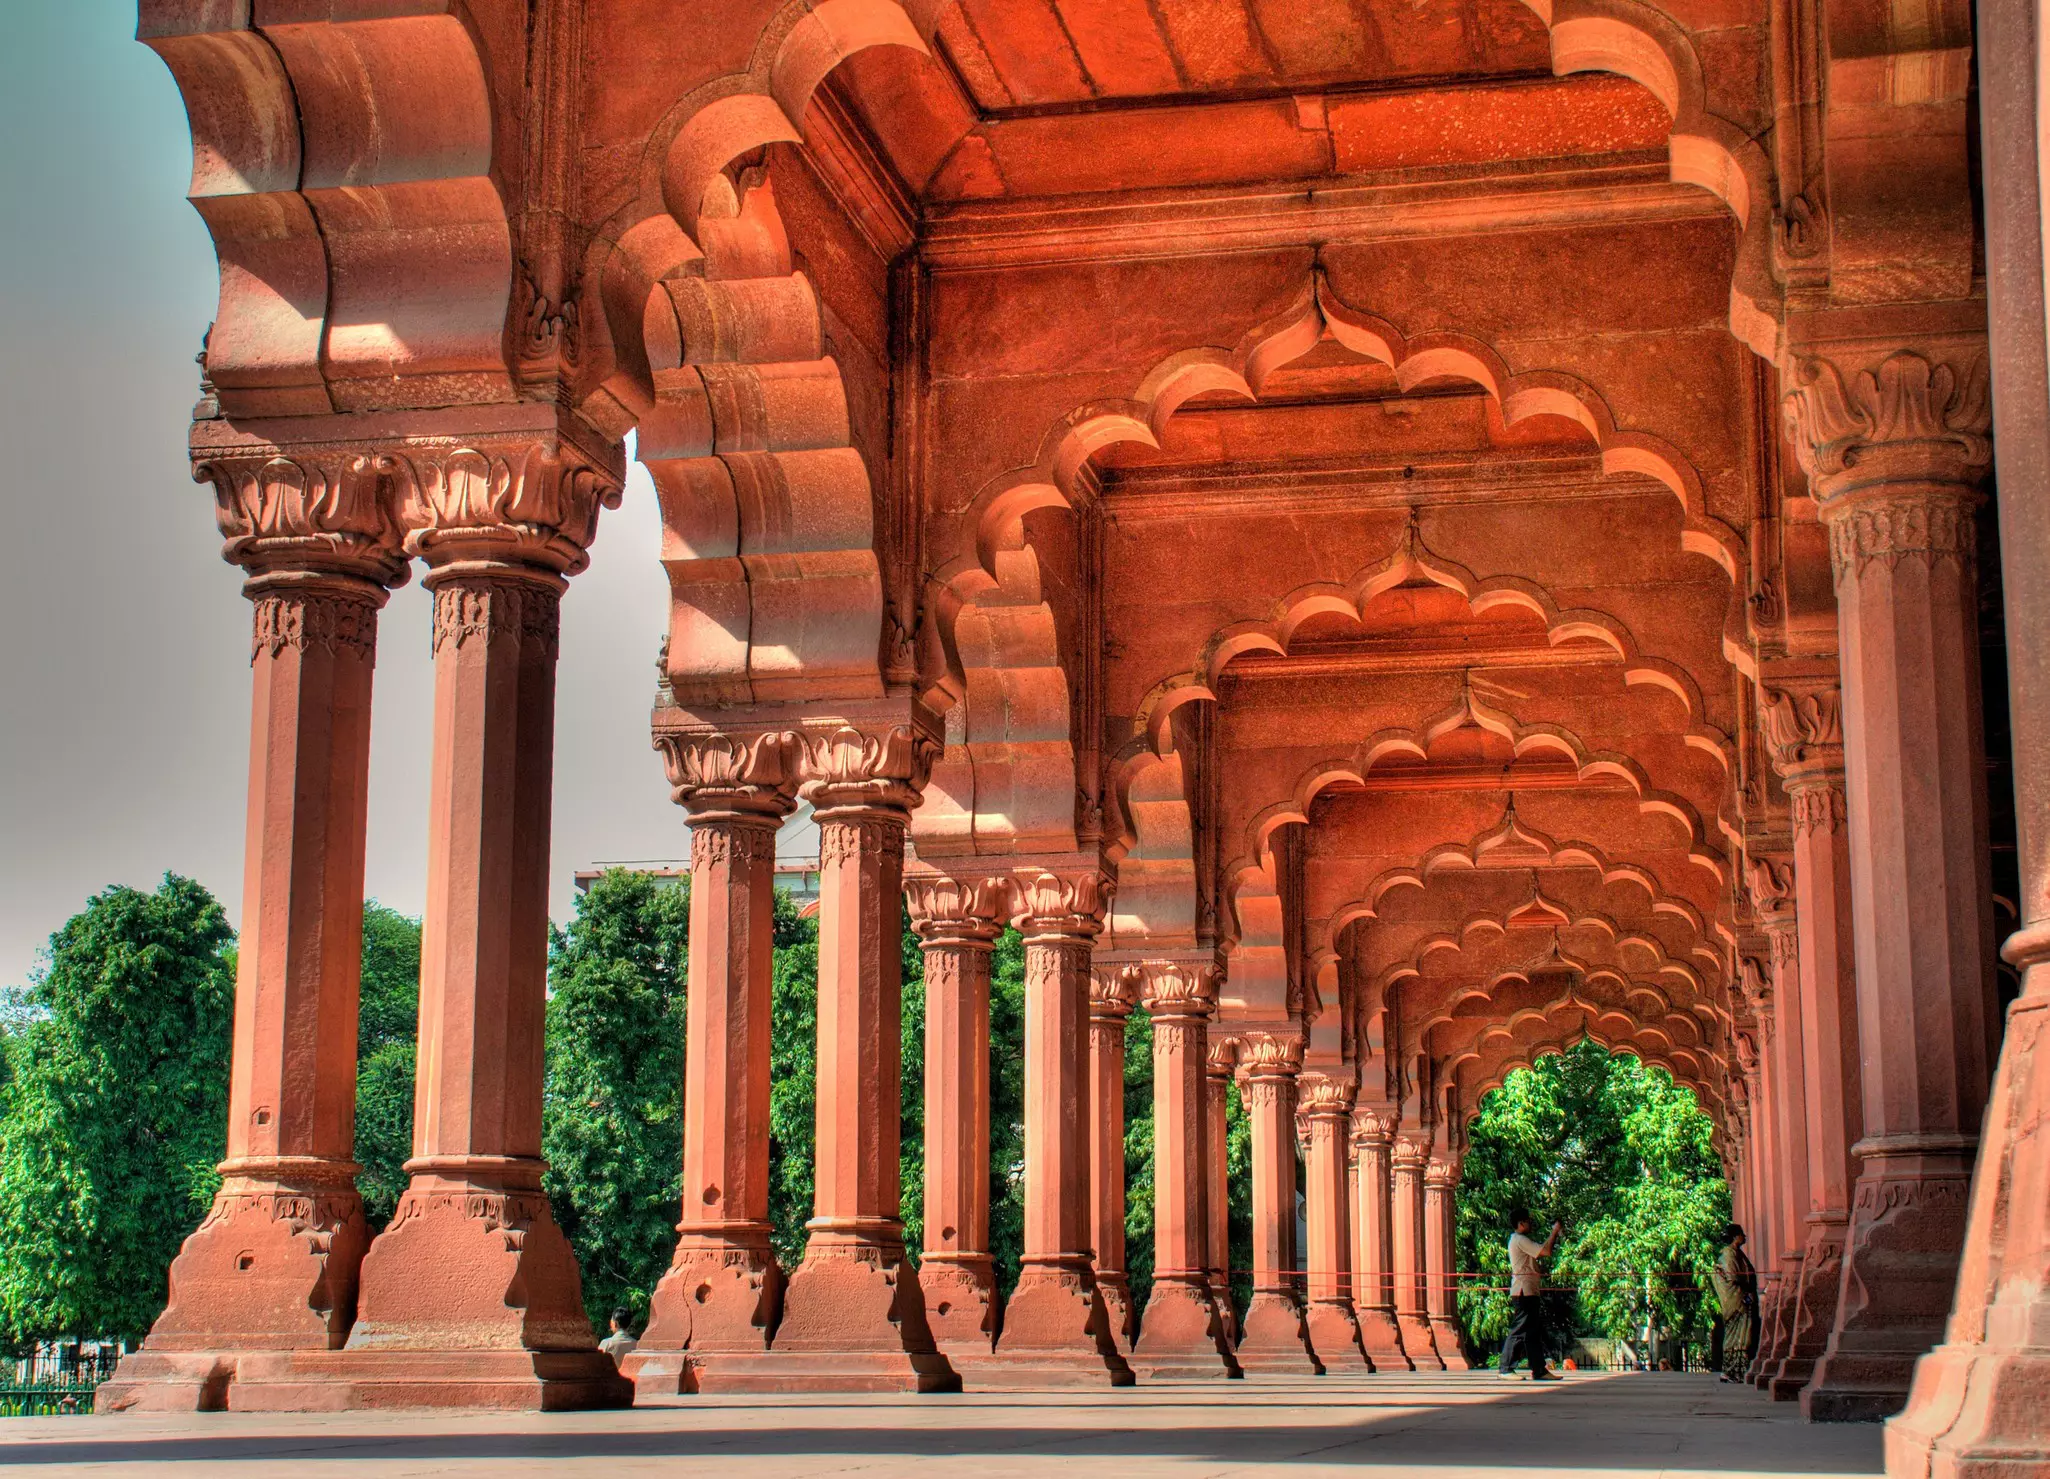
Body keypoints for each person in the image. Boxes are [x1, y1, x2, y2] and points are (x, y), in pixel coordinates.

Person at [1498, 1211, 1563, 1380]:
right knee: (1520, 1329)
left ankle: (1539, 1369)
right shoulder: (1520, 1240)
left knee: (1532, 1332)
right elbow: (1546, 1251)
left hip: (1529, 1290)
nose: (1530, 1224)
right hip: (1523, 1291)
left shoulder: (1517, 1239)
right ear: (1520, 1224)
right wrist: (1554, 1231)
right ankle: (1505, 1368)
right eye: (1527, 1222)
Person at [1709, 1223, 1758, 1382]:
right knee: (1736, 1336)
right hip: (1737, 1301)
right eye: (1741, 1234)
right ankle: (1731, 1371)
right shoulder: (1729, 1255)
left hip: (1742, 1299)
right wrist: (1746, 1293)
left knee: (1744, 1336)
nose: (1744, 1237)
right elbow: (1734, 1278)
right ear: (1735, 1237)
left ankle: (1737, 1371)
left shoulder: (1736, 1253)